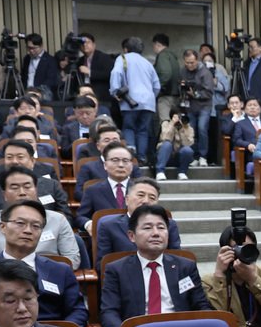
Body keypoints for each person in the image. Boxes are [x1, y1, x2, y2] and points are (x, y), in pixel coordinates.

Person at [0, 200, 88, 327]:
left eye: (36, 226)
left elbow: (78, 312)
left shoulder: (60, 270)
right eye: (20, 223)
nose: (28, 230)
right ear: (3, 227)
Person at [99, 204, 212, 327]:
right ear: (131, 236)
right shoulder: (116, 270)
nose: (156, 233)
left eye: (161, 227)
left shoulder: (185, 267)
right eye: (147, 228)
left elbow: (201, 305)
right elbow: (109, 312)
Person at [0, 166, 82, 268]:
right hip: (1, 281)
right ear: (4, 195)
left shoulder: (58, 220)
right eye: (14, 187)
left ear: (36, 191)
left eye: (27, 186)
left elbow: (72, 259)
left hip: (47, 278)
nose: (22, 192)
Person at [94, 179, 183, 258]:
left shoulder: (169, 225)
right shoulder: (108, 225)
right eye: (140, 195)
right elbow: (103, 263)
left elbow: (176, 258)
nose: (146, 201)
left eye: (152, 198)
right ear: (127, 200)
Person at [109, 37, 162, 165]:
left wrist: (115, 91)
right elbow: (157, 86)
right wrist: (150, 97)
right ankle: (142, 157)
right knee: (143, 130)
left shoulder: (122, 58)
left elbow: (116, 73)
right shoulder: (147, 63)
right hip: (148, 102)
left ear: (126, 49)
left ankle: (131, 154)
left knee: (128, 127)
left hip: (130, 100)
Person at [78, 143, 138, 225]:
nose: (121, 165)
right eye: (115, 160)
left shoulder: (140, 189)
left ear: (131, 165)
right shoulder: (92, 190)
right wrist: (89, 224)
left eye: (125, 161)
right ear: (105, 165)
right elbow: (80, 217)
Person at [178, 49, 215, 167]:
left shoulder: (205, 72)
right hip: (189, 105)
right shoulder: (183, 71)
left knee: (202, 128)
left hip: (204, 105)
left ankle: (203, 156)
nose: (190, 65)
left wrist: (195, 94)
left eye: (192, 62)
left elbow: (209, 92)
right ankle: (194, 156)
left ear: (197, 60)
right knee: (191, 130)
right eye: (187, 62)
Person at [154, 112, 195, 181]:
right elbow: (164, 138)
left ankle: (182, 172)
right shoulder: (166, 124)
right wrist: (172, 124)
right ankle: (160, 172)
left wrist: (182, 130)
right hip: (164, 155)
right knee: (167, 144)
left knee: (187, 150)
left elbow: (188, 144)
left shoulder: (189, 128)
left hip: (178, 157)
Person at [21, 34, 62, 99]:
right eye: (29, 48)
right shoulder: (26, 59)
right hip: (26, 93)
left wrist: (38, 90)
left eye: (34, 48)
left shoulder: (50, 60)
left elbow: (51, 80)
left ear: (41, 46)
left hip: (42, 94)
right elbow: (24, 77)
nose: (31, 51)